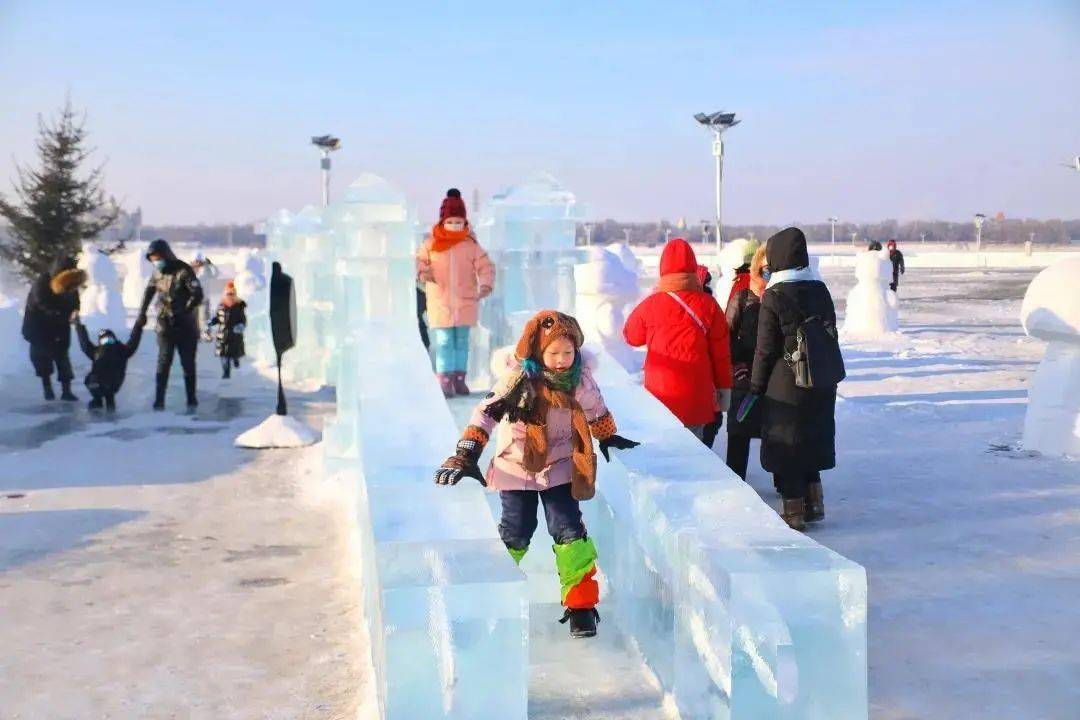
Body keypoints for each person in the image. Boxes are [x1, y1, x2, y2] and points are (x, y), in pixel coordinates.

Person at [433, 311, 638, 639]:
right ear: (538, 351)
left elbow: (596, 409)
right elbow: (485, 415)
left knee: (569, 530)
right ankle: (492, 597)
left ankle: (581, 606)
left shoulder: (579, 380)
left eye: (568, 353)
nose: (561, 361)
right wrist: (466, 453)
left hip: (559, 468)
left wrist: (608, 435)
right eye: (553, 353)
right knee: (516, 531)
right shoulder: (516, 381)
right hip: (515, 468)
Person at [738, 228, 837, 530]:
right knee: (811, 438)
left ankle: (793, 511)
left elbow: (765, 350)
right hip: (820, 378)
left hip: (786, 383)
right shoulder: (820, 289)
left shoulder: (775, 295)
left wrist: (755, 387)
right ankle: (815, 501)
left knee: (788, 444)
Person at [623, 238, 733, 442]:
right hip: (696, 397)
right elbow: (721, 355)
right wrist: (723, 390)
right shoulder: (709, 305)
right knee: (694, 454)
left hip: (659, 395)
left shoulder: (651, 304)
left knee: (664, 454)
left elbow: (631, 336)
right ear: (692, 268)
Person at [416, 188, 495, 397]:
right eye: (450, 222)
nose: (454, 226)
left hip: (465, 302)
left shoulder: (471, 246)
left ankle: (459, 379)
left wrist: (485, 284)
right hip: (440, 302)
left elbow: (486, 266)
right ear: (443, 222)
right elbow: (419, 261)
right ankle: (444, 379)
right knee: (443, 342)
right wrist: (423, 272)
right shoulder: (431, 245)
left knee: (461, 342)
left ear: (464, 222)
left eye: (458, 222)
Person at [138, 239, 204, 410]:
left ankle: (191, 398)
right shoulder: (157, 273)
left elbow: (197, 293)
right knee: (164, 361)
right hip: (165, 324)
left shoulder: (183, 270)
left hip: (185, 325)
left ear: (166, 255)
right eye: (152, 258)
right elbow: (149, 292)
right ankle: (159, 399)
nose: (156, 261)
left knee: (188, 363)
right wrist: (142, 313)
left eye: (158, 257)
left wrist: (185, 310)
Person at [724, 244, 765, 479]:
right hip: (747, 373)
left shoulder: (775, 292)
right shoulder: (742, 291)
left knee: (753, 431)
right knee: (742, 429)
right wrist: (735, 363)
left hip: (762, 373)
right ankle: (735, 480)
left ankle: (736, 478)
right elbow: (727, 331)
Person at [21, 256, 85, 401]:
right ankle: (47, 388)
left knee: (62, 355)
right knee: (42, 357)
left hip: (60, 325)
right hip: (39, 326)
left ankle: (66, 391)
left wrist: (75, 310)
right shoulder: (42, 283)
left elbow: (75, 300)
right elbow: (41, 302)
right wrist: (60, 313)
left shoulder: (70, 282)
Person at [74, 315, 145, 411]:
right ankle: (109, 400)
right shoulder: (123, 350)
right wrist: (139, 326)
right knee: (109, 389)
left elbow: (84, 343)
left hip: (98, 383)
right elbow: (134, 340)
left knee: (91, 380)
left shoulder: (97, 351)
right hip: (114, 384)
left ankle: (97, 400)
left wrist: (78, 325)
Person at [206, 281, 246, 379]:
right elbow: (218, 318)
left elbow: (243, 320)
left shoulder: (239, 307)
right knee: (224, 355)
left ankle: (236, 359)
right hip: (222, 335)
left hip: (235, 335)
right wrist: (211, 322)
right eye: (228, 294)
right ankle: (226, 372)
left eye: (232, 294)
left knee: (234, 352)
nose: (230, 296)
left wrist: (240, 326)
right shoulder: (221, 306)